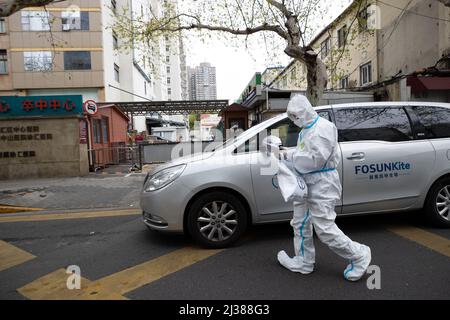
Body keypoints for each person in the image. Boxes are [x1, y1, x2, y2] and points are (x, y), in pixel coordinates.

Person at [277, 94, 371, 281]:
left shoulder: (322, 129)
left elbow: (315, 160)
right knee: (300, 222)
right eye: (292, 117)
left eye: (296, 116)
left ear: (305, 111)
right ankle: (303, 261)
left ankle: (359, 254)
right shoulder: (307, 128)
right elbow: (306, 154)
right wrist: (287, 154)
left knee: (324, 228)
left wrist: (287, 157)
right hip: (307, 182)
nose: (294, 120)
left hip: (322, 184)